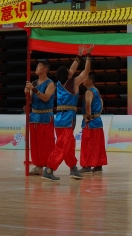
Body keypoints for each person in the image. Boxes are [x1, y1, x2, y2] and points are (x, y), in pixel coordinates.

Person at [42, 46, 93, 182]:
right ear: (68, 75)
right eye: (69, 71)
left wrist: (79, 56)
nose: (71, 71)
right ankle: (49, 169)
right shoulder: (74, 83)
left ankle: (73, 168)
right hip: (67, 118)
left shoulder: (59, 82)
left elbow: (71, 69)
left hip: (58, 117)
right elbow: (86, 71)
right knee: (63, 145)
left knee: (69, 144)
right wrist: (88, 55)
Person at [24, 59, 56, 176]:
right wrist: (27, 93)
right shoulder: (34, 82)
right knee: (35, 144)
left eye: (39, 66)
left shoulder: (50, 83)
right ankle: (38, 166)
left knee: (46, 144)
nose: (36, 68)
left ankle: (48, 166)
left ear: (45, 69)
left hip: (45, 117)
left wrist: (33, 89)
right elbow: (31, 101)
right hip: (34, 116)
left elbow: (46, 98)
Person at [80, 73, 107, 173]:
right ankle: (98, 165)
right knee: (98, 145)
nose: (83, 80)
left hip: (91, 123)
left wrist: (88, 116)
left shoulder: (89, 91)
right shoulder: (97, 91)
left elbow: (87, 104)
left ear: (90, 81)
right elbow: (101, 102)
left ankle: (87, 166)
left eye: (85, 78)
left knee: (88, 144)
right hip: (98, 121)